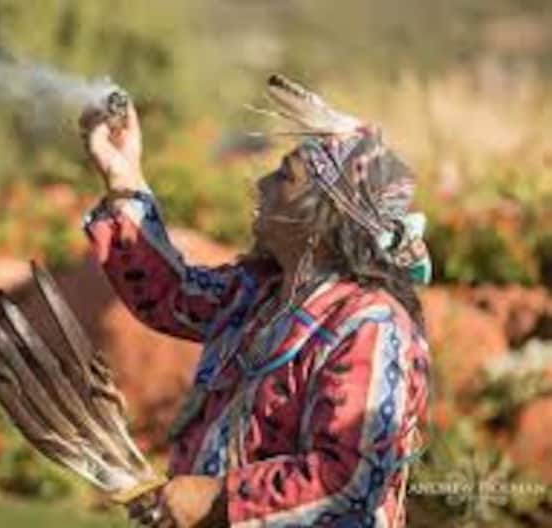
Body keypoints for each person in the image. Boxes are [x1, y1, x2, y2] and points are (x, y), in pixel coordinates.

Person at [79, 75, 432, 528]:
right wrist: (122, 173)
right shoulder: (260, 293)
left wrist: (216, 498)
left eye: (285, 174)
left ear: (321, 219)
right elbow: (170, 294)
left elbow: (349, 477)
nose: (262, 182)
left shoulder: (370, 327)